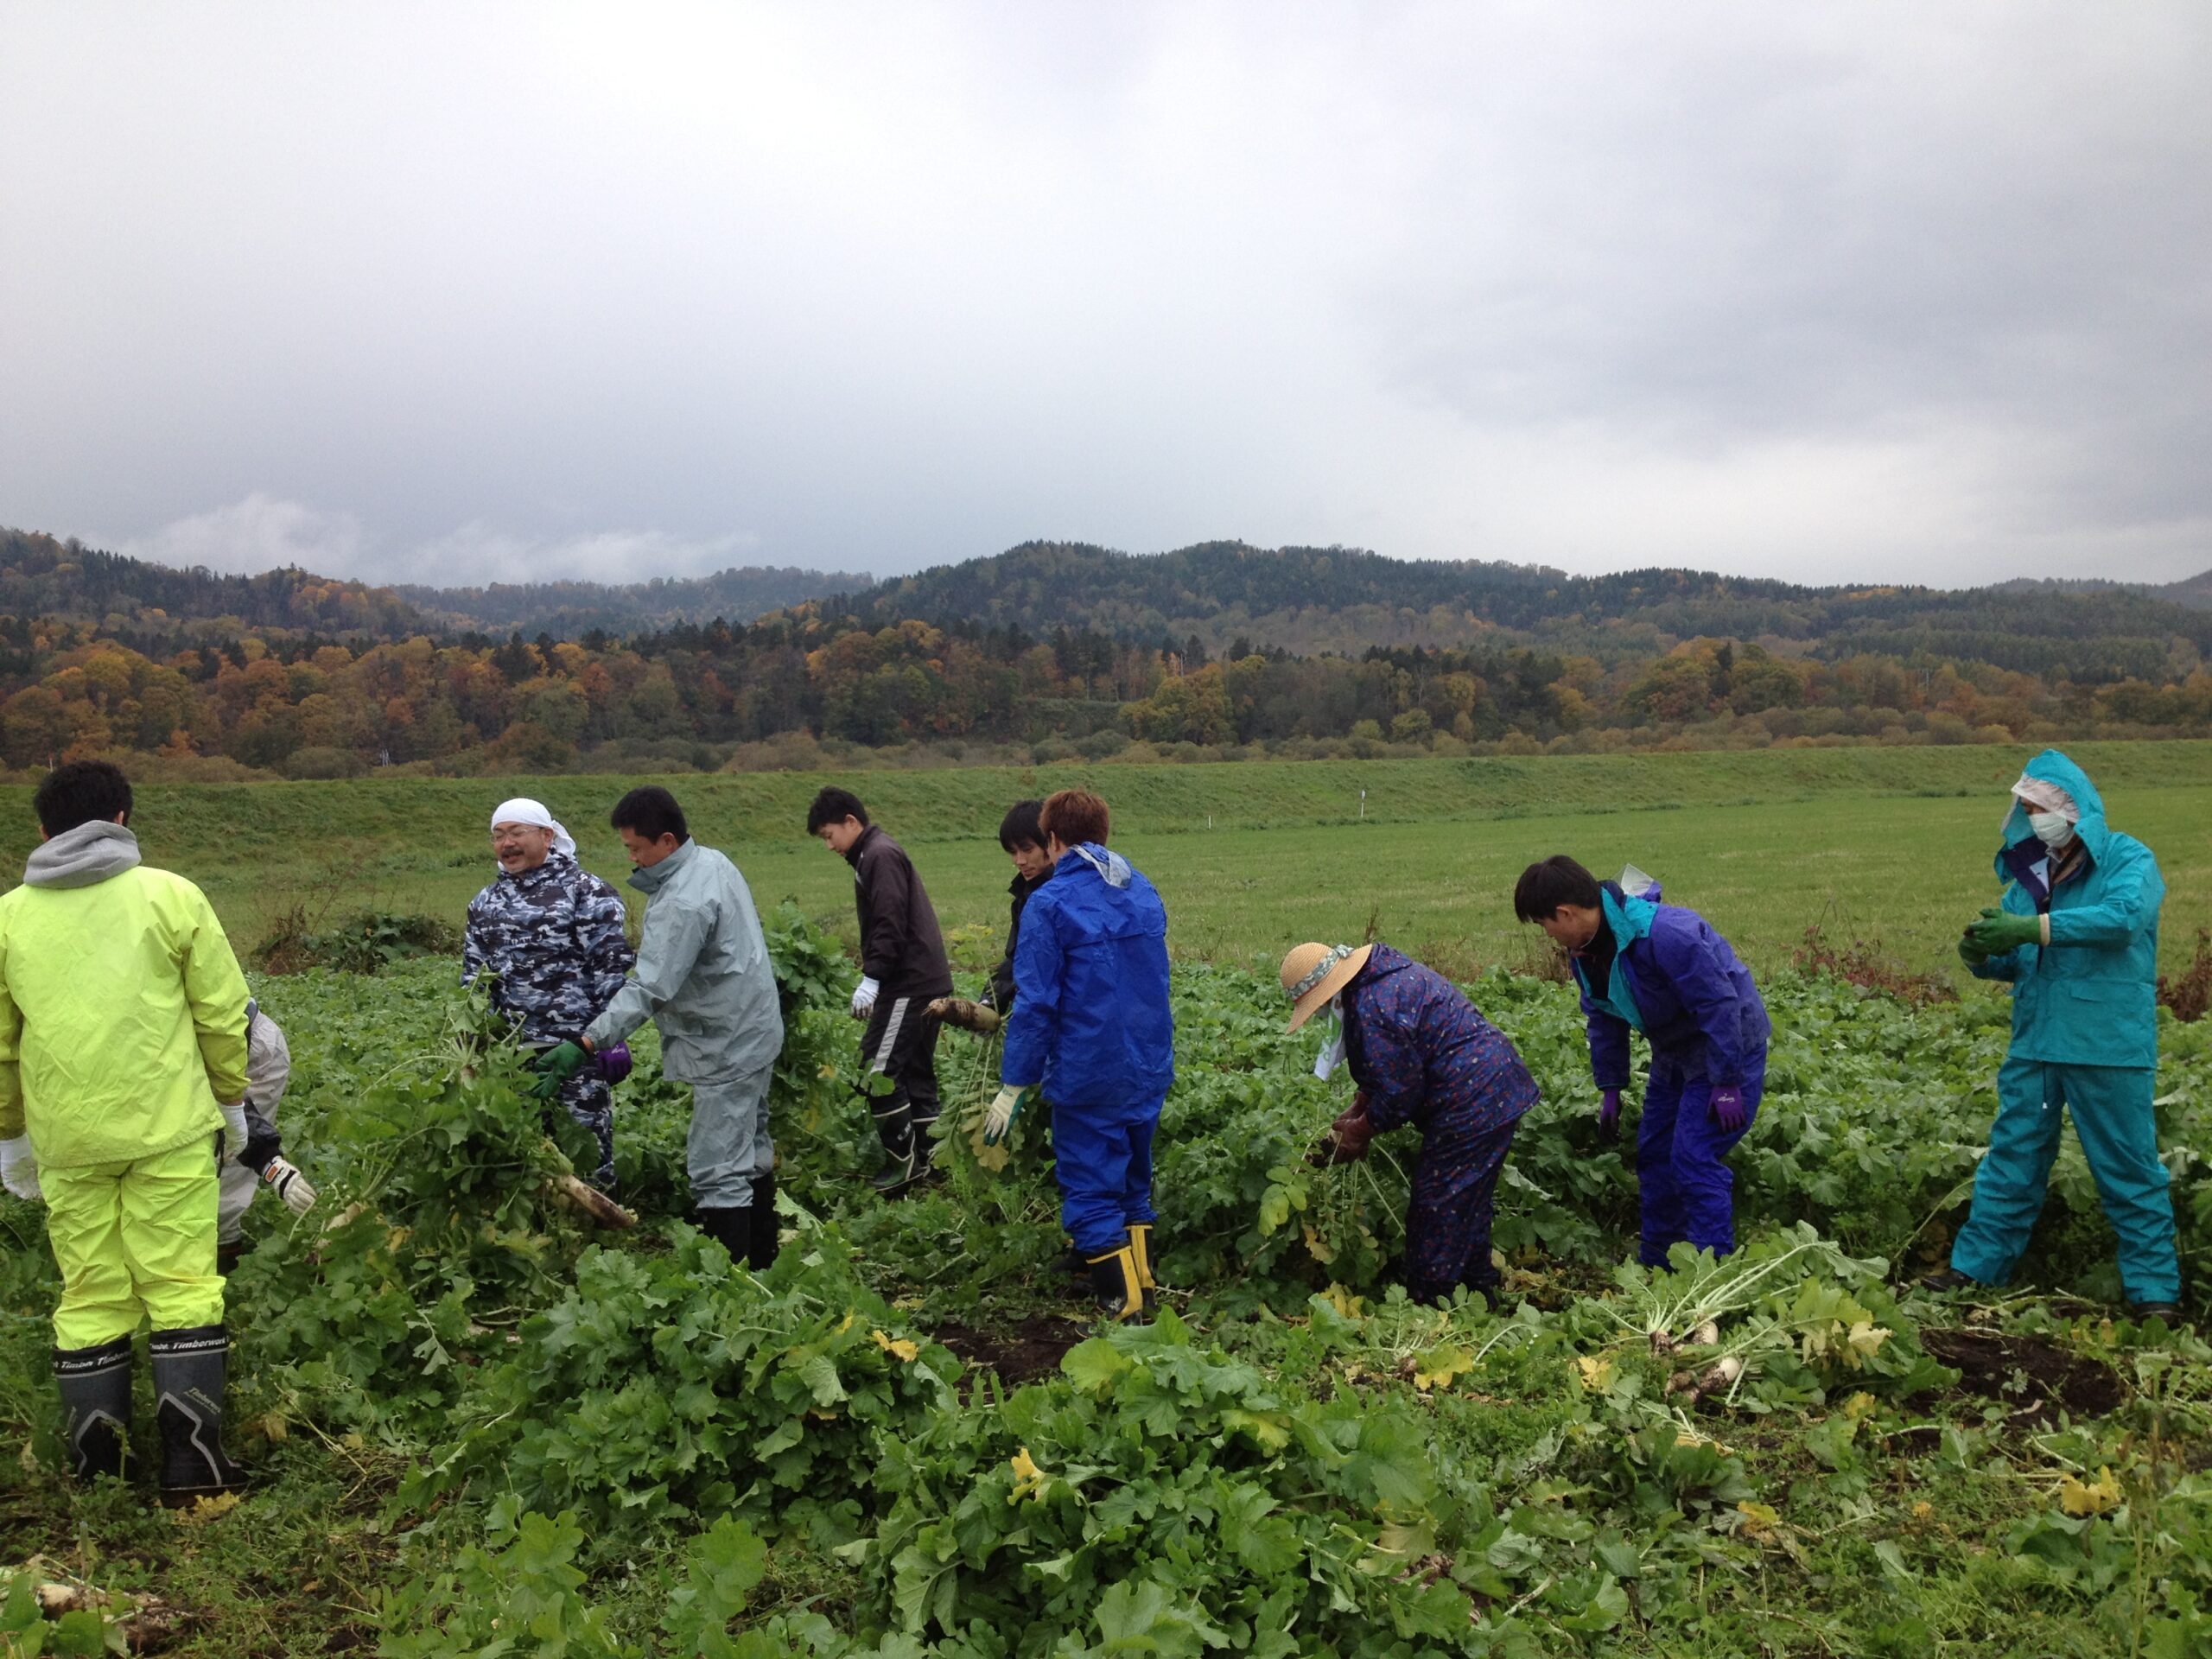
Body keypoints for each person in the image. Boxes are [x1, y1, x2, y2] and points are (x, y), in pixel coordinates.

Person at [0, 761, 251, 1505]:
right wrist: (232, 1101)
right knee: (180, 1283)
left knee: (91, 1292)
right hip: (168, 1130)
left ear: (43, 832)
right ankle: (194, 1468)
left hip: (68, 1141)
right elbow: (220, 1011)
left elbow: (2, 1045)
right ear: (122, 817)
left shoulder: (9, 916)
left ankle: (99, 1474)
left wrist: (11, 1137)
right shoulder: (171, 896)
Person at [1926, 752, 2181, 1319]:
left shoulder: (2127, 859)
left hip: (2106, 1045)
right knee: (2013, 1159)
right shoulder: (2032, 875)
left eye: (2038, 807)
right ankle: (1975, 1271)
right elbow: (2018, 957)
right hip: (2038, 1045)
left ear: (2071, 809)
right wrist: (1983, 955)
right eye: (2025, 808)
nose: (2031, 816)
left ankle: (2156, 1294)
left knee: (2128, 1168)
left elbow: (2121, 921)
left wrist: (2033, 927)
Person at [542, 787, 785, 1268]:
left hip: (725, 1044)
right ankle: (764, 1262)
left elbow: (651, 987)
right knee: (751, 1149)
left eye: (636, 848)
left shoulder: (683, 901)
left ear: (667, 841)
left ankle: (733, 1284)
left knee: (717, 1168)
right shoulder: (712, 861)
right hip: (753, 1029)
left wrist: (586, 1041)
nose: (631, 858)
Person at [1515, 855, 1769, 1268]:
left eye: (1545, 925)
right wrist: (1611, 1086)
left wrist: (1726, 1083)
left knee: (1692, 1157)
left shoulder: (1667, 935)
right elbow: (1603, 1016)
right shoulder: (1584, 952)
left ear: (1566, 912)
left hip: (1726, 1045)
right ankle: (1660, 1262)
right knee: (1654, 1153)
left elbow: (1721, 1006)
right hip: (1674, 1052)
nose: (1548, 935)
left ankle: (1709, 1272)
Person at [983, 789, 1173, 1320]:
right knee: (1135, 1185)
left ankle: (1124, 1309)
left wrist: (1014, 1084)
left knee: (1090, 1189)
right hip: (1148, 1066)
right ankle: (1148, 1297)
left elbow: (1038, 1005)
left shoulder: (1049, 905)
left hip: (1089, 1073)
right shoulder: (1144, 891)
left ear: (1053, 839)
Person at [1284, 939, 1539, 1308]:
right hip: (1492, 1086)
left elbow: (1401, 1092)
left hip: (1474, 1100)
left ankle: (1431, 1303)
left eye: (1317, 1007)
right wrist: (1358, 1109)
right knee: (1466, 1200)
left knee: (1437, 1206)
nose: (1321, 1014)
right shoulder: (1380, 979)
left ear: (1329, 993)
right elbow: (1392, 1067)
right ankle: (1479, 1292)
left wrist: (1361, 1131)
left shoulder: (1371, 1006)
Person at [464, 798, 636, 1192]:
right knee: (522, 1154)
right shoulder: (484, 903)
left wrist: (612, 1037)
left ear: (547, 835)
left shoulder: (586, 892)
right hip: (511, 1055)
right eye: (498, 835)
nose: (507, 844)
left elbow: (609, 967)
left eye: (517, 833)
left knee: (585, 1148)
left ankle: (599, 1234)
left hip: (577, 1048)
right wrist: (472, 1044)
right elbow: (474, 980)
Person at [807, 787, 954, 1193]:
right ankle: (933, 1163)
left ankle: (903, 1165)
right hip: (925, 979)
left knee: (876, 1071)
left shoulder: (879, 856)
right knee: (916, 1072)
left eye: (829, 834)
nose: (829, 845)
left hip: (908, 982)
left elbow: (889, 920)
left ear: (851, 822)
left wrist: (873, 978)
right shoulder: (872, 855)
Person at [214, 1000, 318, 1274]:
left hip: (248, 1047)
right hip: (216, 1045)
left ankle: (228, 1271)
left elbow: (218, 1099)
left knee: (227, 1165)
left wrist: (269, 1164)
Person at [984, 798, 1054, 1015]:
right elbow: (1016, 957)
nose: (1019, 860)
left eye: (1026, 849)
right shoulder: (1024, 895)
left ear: (1050, 843)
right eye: (1013, 852)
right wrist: (990, 999)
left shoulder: (1062, 896)